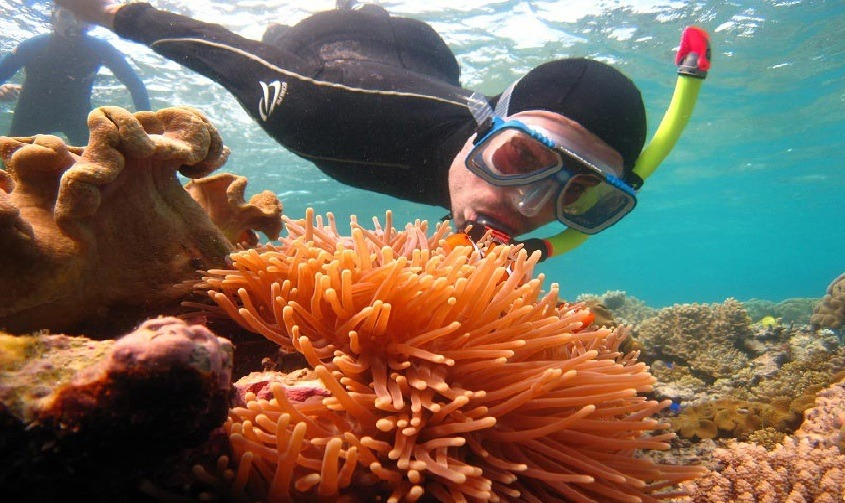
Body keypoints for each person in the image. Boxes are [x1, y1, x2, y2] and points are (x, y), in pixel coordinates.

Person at [56, 0, 658, 259]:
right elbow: (220, 50)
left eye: (578, 195)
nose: (527, 206)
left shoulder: (496, 193)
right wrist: (112, 13)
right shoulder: (320, 109)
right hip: (329, 46)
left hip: (429, 65)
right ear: (485, 127)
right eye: (518, 157)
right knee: (292, 37)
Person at [0, 6, 150, 145]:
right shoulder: (33, 46)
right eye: (65, 15)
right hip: (31, 113)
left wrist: (147, 127)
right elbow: (136, 86)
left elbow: (136, 86)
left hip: (76, 115)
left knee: (98, 166)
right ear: (53, 17)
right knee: (13, 165)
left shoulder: (101, 48)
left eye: (81, 16)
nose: (73, 22)